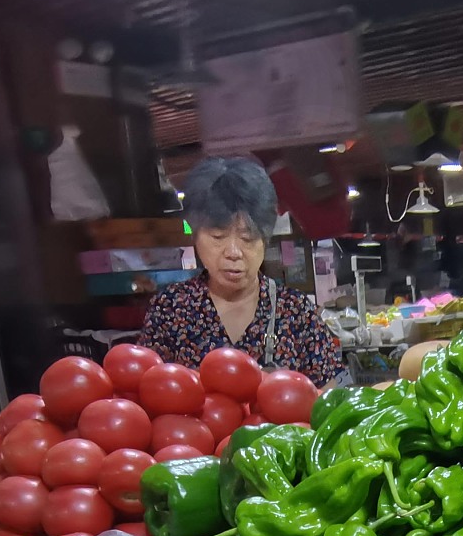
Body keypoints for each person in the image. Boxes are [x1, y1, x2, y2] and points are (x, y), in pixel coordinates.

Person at [141, 157, 344, 388]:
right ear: (195, 236)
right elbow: (150, 390)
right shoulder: (170, 308)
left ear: (265, 240)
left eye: (247, 239)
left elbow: (334, 393)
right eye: (218, 237)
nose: (234, 252)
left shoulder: (296, 313)